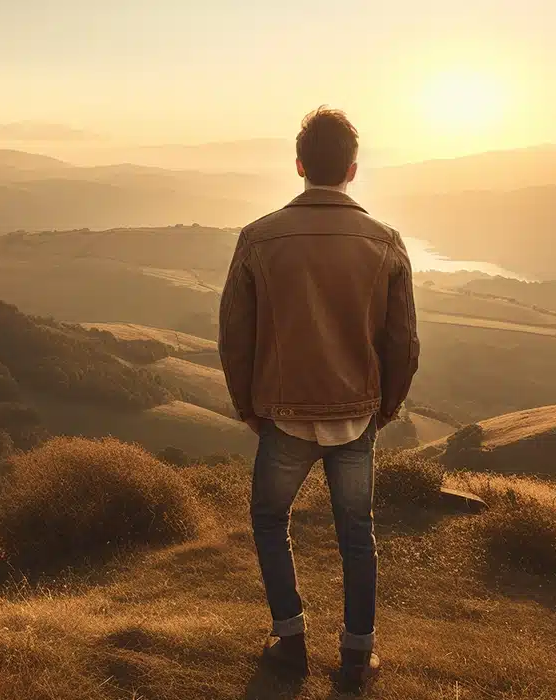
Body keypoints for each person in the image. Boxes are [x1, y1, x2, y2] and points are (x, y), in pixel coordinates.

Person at [218, 106, 420, 693]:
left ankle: (289, 638)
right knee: (357, 532)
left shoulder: (258, 237)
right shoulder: (386, 242)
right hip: (357, 414)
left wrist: (247, 404)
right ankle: (357, 657)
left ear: (300, 164)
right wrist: (386, 404)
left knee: (269, 520)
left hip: (283, 413)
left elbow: (236, 334)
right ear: (353, 171)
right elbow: (402, 339)